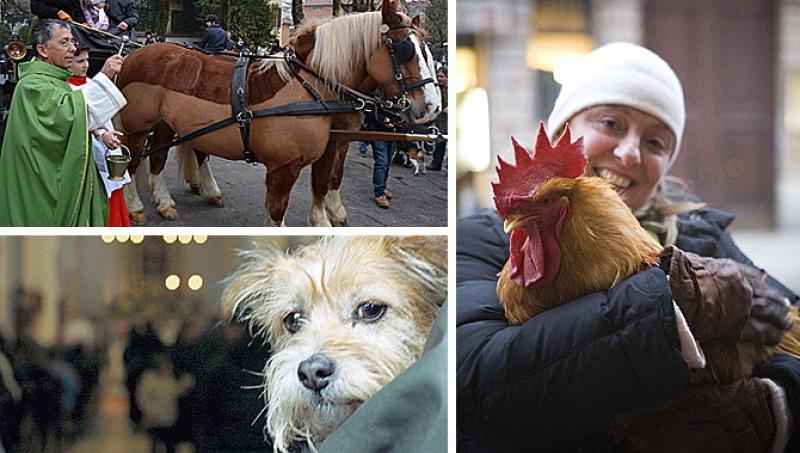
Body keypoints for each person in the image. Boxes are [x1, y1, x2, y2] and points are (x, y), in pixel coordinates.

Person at [457, 42, 800, 452]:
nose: (629, 152)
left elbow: (788, 332)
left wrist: (776, 407)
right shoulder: (484, 241)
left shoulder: (700, 238)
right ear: (564, 127)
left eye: (656, 142)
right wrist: (667, 309)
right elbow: (474, 382)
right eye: (610, 123)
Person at [0, 19, 126, 227]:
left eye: (72, 42)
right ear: (43, 50)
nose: (72, 49)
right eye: (64, 43)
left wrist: (102, 133)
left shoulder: (55, 80)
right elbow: (69, 116)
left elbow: (78, 117)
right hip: (40, 185)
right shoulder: (32, 85)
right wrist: (104, 76)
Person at [67, 47, 131, 226]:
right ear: (67, 63)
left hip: (107, 145)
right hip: (90, 147)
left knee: (115, 189)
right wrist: (102, 134)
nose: (86, 65)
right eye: (80, 61)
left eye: (87, 60)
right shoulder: (66, 87)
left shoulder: (89, 82)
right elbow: (83, 115)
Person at [429, 66, 447, 171]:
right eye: (438, 76)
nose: (439, 79)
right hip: (440, 120)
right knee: (440, 141)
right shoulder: (436, 89)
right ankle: (436, 163)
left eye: (442, 76)